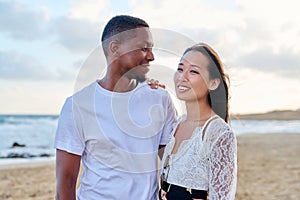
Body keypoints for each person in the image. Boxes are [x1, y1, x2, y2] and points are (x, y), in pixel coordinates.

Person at [54, 15, 177, 200]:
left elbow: (173, 164)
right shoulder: (77, 106)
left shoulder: (159, 98)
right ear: (115, 48)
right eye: (144, 48)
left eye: (151, 49)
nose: (151, 56)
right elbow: (66, 182)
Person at [160, 43, 237, 200]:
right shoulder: (177, 124)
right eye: (180, 69)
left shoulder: (218, 133)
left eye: (193, 71)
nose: (182, 76)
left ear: (213, 83)